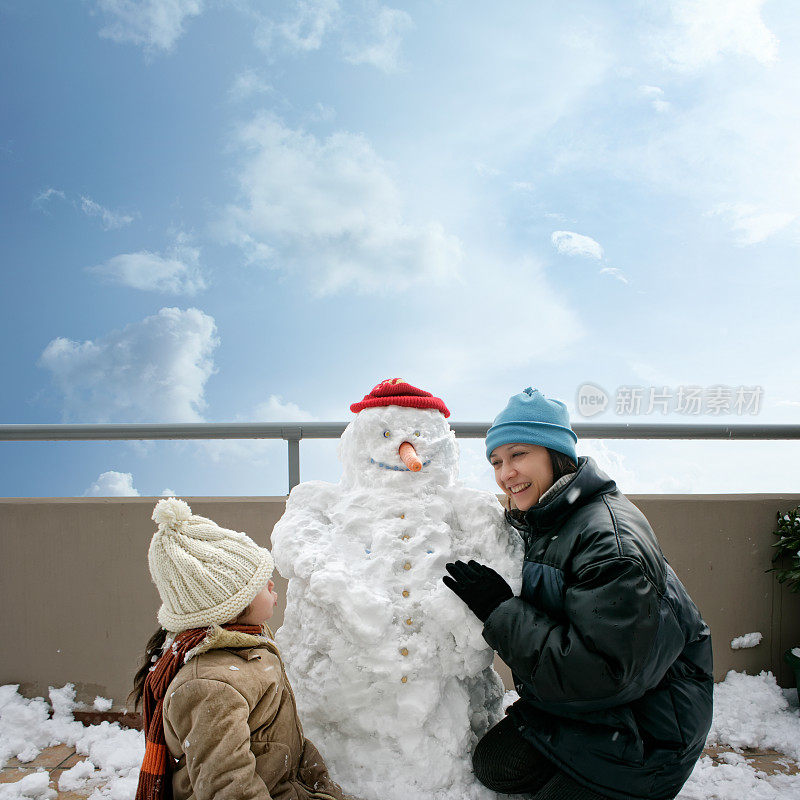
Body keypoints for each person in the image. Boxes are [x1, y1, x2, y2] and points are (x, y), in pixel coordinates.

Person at [443, 388, 713, 800]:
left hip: (648, 728)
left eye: (518, 455)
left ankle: (640, 786)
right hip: (594, 711)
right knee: (493, 766)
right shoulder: (552, 516)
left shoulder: (610, 544)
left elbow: (605, 675)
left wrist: (502, 610)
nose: (505, 473)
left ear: (556, 455)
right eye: (496, 461)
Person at [130, 497, 347, 800]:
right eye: (260, 582)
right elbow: (228, 786)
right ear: (228, 609)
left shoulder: (246, 642)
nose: (272, 585)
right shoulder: (208, 686)